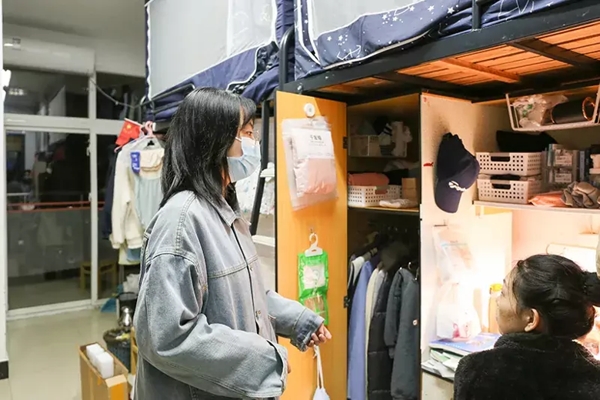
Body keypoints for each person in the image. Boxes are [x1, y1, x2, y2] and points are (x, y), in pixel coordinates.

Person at [133, 88, 331, 400]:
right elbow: (167, 337)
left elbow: (245, 295)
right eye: (247, 134)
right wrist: (263, 359)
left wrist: (298, 320)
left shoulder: (223, 209)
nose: (254, 144)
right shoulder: (181, 221)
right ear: (213, 140)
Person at [454, 254, 600, 400]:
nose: (497, 301)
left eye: (503, 293)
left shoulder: (477, 370)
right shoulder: (594, 376)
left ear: (530, 319)